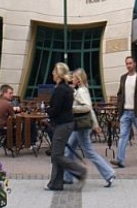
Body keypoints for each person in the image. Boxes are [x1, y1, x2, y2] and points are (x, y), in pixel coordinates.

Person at [63, 68, 117, 188]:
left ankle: (109, 173)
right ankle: (67, 177)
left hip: (81, 126)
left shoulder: (81, 91)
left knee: (89, 152)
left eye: (74, 77)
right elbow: (90, 109)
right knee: (69, 149)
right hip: (79, 125)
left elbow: (88, 107)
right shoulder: (81, 90)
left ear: (79, 79)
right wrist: (95, 124)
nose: (72, 79)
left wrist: (71, 109)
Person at [45, 62, 87, 191]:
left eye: (54, 71)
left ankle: (79, 170)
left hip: (62, 124)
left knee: (56, 155)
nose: (52, 73)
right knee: (58, 154)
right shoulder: (67, 88)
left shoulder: (60, 90)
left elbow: (56, 109)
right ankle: (55, 184)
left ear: (58, 74)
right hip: (67, 124)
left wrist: (47, 112)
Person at [111, 55, 137, 168]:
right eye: (127, 63)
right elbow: (120, 93)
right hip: (125, 111)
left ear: (134, 64)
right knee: (123, 135)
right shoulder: (123, 77)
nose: (128, 65)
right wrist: (120, 104)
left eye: (130, 63)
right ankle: (120, 159)